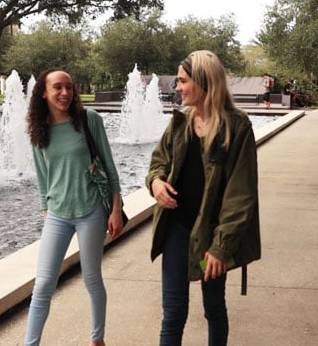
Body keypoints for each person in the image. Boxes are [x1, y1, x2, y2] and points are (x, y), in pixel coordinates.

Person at [146, 50, 261, 346]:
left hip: (211, 238)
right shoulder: (181, 122)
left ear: (203, 81)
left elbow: (241, 194)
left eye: (182, 81)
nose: (178, 87)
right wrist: (156, 182)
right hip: (176, 231)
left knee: (213, 309)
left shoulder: (236, 126)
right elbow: (158, 161)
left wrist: (222, 247)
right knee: (172, 314)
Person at [24, 68, 125, 346]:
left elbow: (110, 168)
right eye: (57, 87)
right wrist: (46, 209)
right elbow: (43, 178)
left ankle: (97, 340)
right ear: (43, 93)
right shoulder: (38, 128)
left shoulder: (88, 120)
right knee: (43, 284)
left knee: (92, 278)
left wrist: (115, 209)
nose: (65, 93)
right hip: (57, 215)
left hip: (90, 212)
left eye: (69, 87)